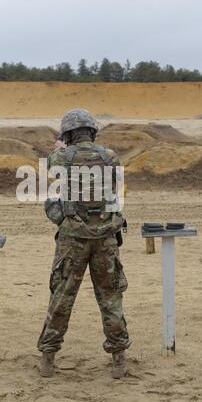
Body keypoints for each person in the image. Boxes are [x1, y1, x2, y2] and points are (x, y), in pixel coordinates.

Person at [38, 109, 130, 379]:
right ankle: (119, 359)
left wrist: (61, 149)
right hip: (105, 239)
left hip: (73, 240)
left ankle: (48, 358)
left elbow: (55, 169)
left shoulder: (60, 156)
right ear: (92, 130)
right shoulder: (110, 156)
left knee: (62, 298)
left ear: (67, 133)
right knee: (111, 299)